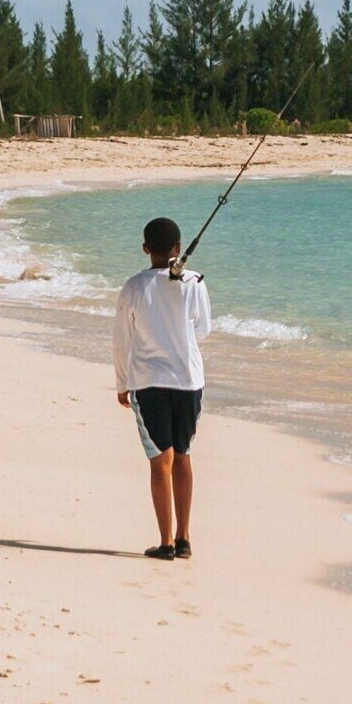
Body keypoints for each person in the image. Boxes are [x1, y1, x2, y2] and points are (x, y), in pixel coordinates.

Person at [112, 214, 213, 560]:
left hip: (148, 383)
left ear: (145, 249)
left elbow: (121, 340)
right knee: (183, 457)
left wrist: (122, 384)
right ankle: (184, 539)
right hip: (188, 382)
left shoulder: (134, 286)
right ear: (178, 248)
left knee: (161, 462)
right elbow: (203, 330)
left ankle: (167, 543)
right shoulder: (194, 282)